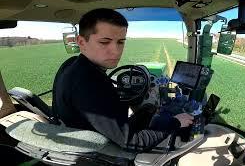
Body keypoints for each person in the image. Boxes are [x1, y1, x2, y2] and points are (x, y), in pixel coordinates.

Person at [52, 8, 194, 152]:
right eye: (104, 42)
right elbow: (133, 142)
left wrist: (141, 109)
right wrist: (176, 122)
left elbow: (100, 106)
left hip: (88, 138)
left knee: (148, 111)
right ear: (81, 42)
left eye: (120, 42)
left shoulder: (70, 65)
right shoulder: (90, 82)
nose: (116, 51)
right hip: (105, 153)